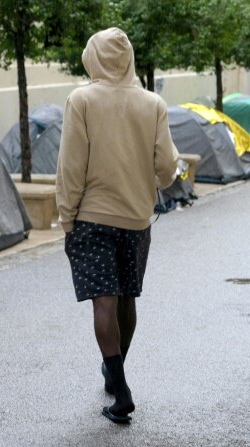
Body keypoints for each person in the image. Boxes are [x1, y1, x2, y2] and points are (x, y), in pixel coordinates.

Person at [55, 27, 178, 424]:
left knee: (103, 302)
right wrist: (157, 180)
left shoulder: (81, 100)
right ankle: (116, 371)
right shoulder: (153, 103)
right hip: (136, 218)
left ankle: (120, 386)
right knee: (127, 299)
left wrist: (66, 215)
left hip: (92, 217)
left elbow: (71, 166)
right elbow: (166, 169)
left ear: (93, 57)